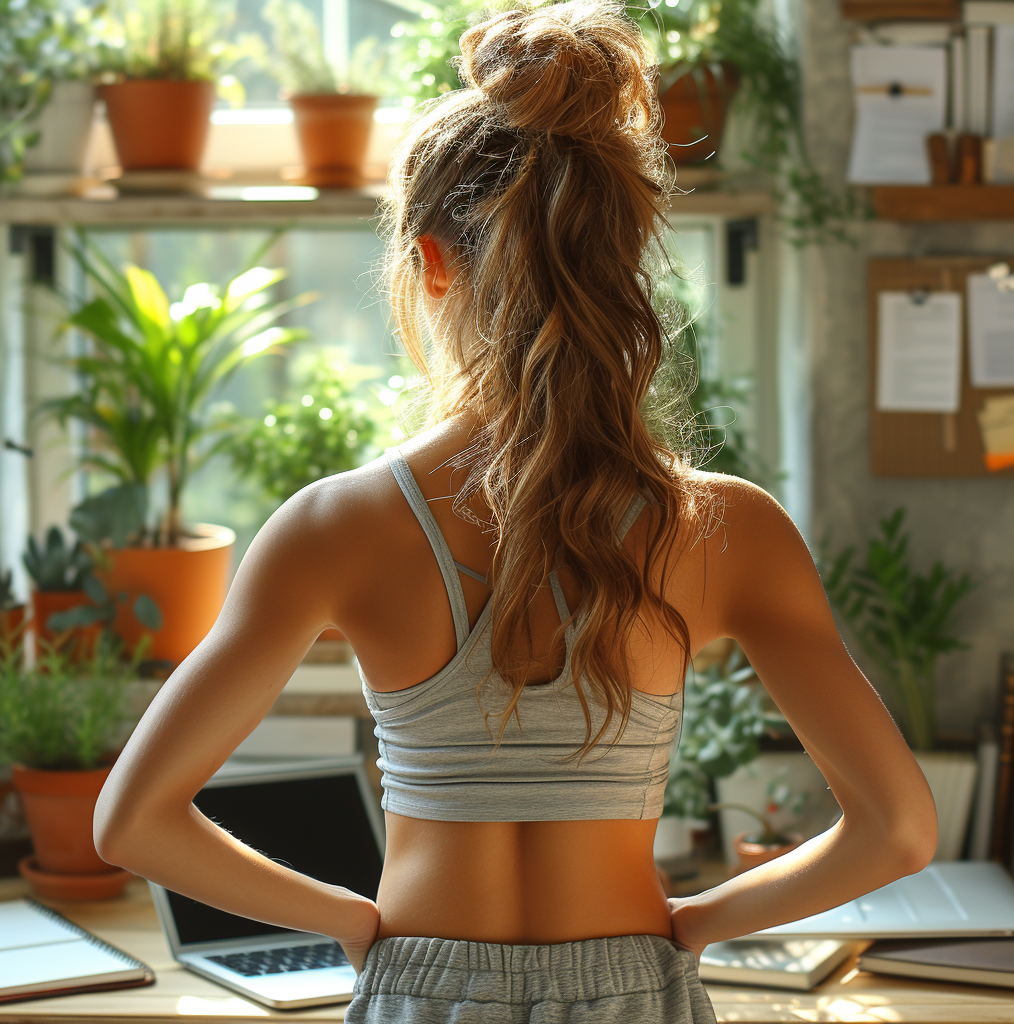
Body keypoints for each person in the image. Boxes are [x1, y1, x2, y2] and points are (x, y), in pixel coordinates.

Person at [94, 2, 938, 1020]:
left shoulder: (333, 527)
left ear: (430, 260)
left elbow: (133, 821)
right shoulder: (730, 529)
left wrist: (354, 923)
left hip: (423, 986)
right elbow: (898, 829)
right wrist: (698, 921)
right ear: (620, 258)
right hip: (634, 979)